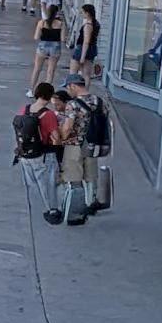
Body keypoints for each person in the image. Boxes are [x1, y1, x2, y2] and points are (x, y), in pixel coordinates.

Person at [16, 82, 63, 225]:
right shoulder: (48, 114)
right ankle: (52, 210)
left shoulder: (25, 109)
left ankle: (34, 208)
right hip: (44, 154)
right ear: (49, 96)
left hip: (25, 153)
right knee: (47, 183)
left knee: (32, 183)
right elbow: (55, 137)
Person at [58, 74, 100, 225]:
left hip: (74, 145)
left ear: (73, 86)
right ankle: (91, 204)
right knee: (90, 178)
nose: (68, 91)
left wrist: (60, 139)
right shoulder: (98, 101)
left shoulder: (73, 105)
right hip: (93, 146)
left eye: (68, 87)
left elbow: (68, 127)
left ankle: (75, 214)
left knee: (74, 179)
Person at [29, 4, 64, 97]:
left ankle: (31, 90)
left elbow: (36, 37)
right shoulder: (60, 24)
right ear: (56, 13)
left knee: (37, 69)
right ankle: (46, 93)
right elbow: (63, 38)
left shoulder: (42, 22)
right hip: (55, 47)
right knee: (50, 70)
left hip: (43, 46)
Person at [69, 3, 100, 80]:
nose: (82, 14)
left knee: (73, 72)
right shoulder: (96, 24)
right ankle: (85, 90)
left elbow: (86, 41)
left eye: (83, 12)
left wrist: (82, 57)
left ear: (87, 13)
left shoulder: (88, 25)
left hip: (82, 49)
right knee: (86, 74)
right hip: (92, 49)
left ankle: (73, 89)